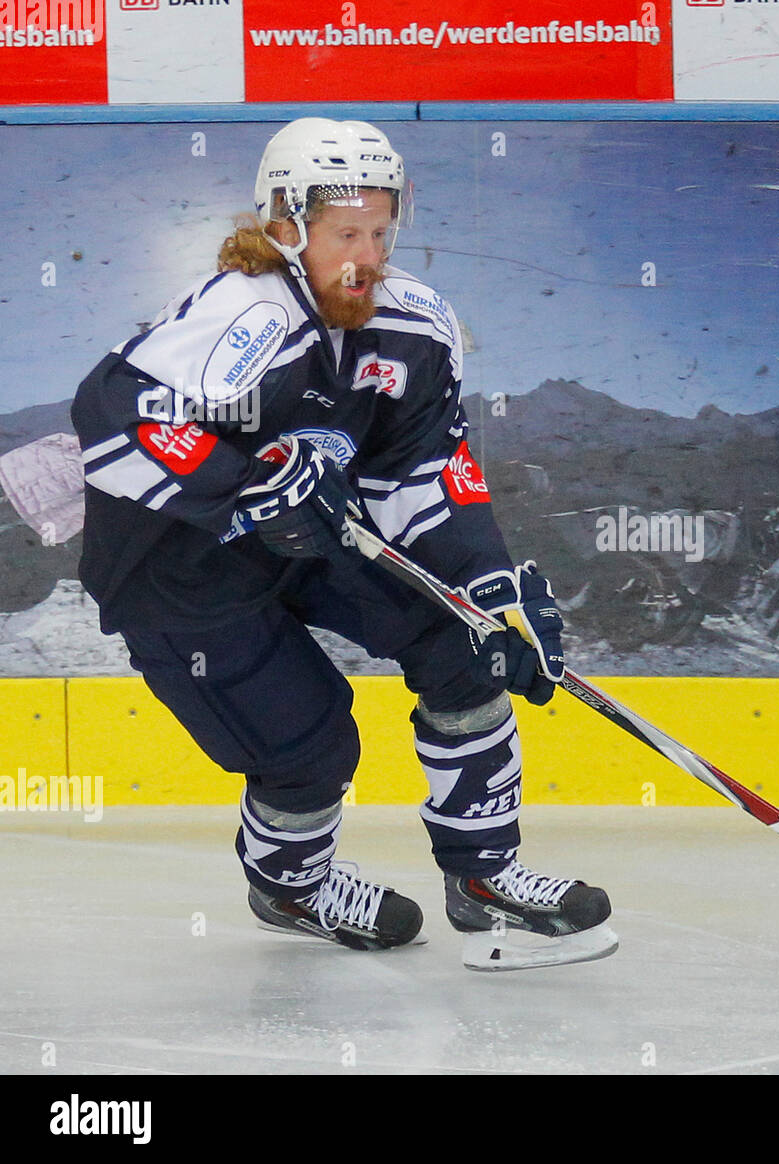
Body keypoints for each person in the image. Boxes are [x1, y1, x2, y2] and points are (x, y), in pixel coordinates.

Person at [71, 118, 617, 971]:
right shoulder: (242, 317)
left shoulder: (414, 326)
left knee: (463, 645)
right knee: (311, 741)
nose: (366, 255)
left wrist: (488, 584)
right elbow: (112, 423)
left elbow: (429, 465)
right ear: (286, 229)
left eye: (379, 230)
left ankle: (484, 877)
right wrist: (242, 488)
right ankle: (291, 883)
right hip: (179, 565)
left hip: (318, 536)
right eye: (344, 234)